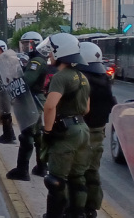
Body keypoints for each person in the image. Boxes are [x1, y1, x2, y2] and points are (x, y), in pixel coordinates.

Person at [39, 33, 91, 218]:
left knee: (55, 180)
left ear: (61, 52)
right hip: (83, 130)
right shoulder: (82, 77)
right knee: (78, 178)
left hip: (67, 132)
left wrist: (48, 130)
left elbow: (50, 106)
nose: (49, 55)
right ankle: (77, 214)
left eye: (52, 52)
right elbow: (86, 109)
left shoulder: (61, 77)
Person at [76, 42, 116, 218]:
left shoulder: (82, 78)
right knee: (93, 169)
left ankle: (77, 207)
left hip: (84, 128)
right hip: (99, 129)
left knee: (77, 171)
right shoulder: (103, 78)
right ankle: (92, 208)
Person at [7, 32, 50, 181]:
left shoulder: (36, 61)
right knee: (38, 136)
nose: (25, 47)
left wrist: (13, 82)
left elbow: (27, 81)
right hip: (37, 100)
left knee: (27, 135)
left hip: (33, 100)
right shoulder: (36, 59)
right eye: (24, 44)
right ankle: (41, 167)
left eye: (28, 44)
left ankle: (22, 170)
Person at [0, 40, 17, 144]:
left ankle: (8, 135)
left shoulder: (6, 59)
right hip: (2, 88)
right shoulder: (1, 59)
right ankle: (9, 134)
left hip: (6, 88)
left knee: (6, 112)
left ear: (1, 49)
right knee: (4, 112)